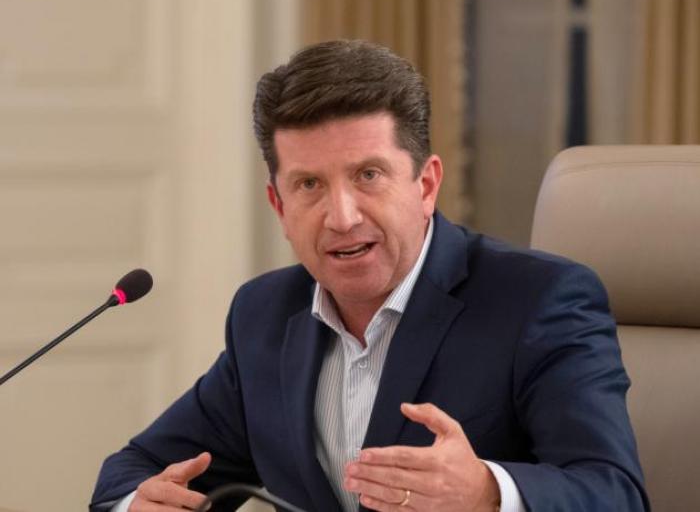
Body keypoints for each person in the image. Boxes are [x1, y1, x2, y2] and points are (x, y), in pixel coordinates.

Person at [91, 40, 648, 512]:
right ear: (279, 206)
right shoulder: (264, 313)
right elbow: (135, 468)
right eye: (309, 185)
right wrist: (137, 504)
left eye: (368, 175)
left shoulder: (537, 300)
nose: (341, 217)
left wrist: (486, 492)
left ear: (426, 186)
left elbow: (615, 493)